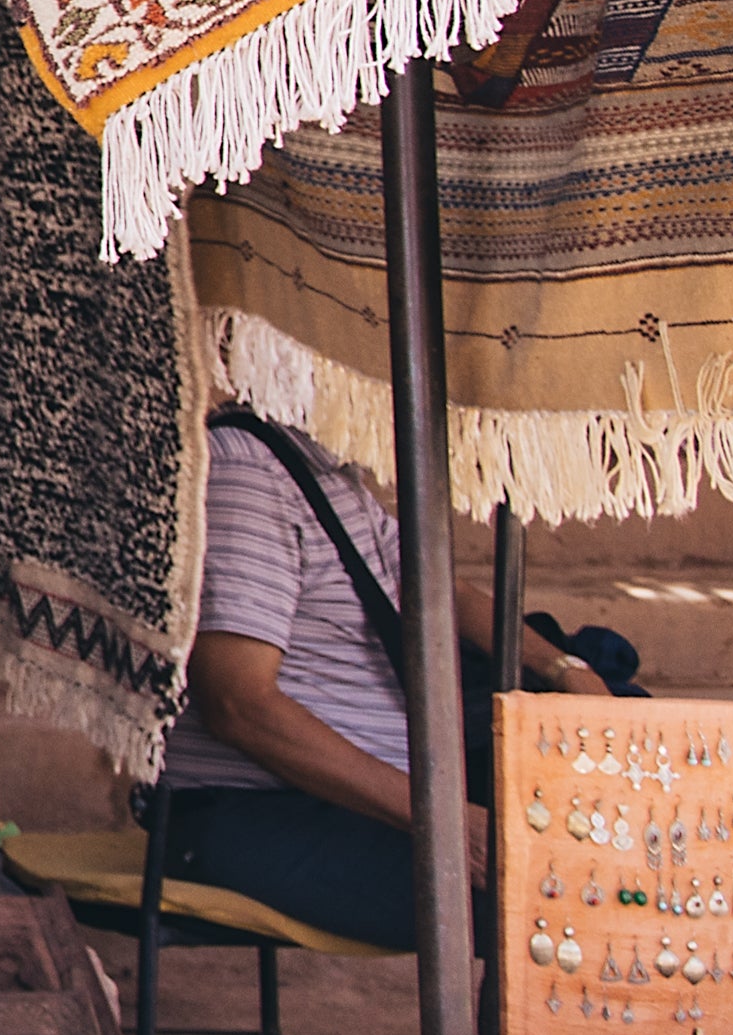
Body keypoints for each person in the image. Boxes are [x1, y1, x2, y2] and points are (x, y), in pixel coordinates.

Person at [159, 405, 609, 951]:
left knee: (616, 812)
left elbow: (440, 589)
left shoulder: (322, 467)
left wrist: (568, 672)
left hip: (382, 793)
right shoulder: (245, 470)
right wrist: (445, 822)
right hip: (254, 810)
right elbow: (238, 705)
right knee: (559, 892)